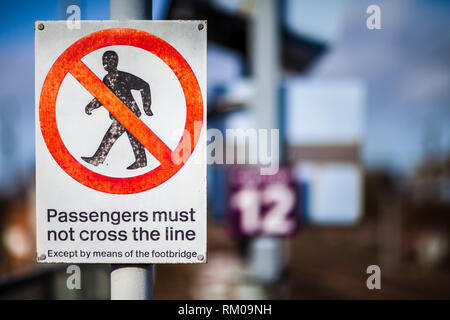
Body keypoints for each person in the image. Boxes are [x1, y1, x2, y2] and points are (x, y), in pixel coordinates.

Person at [81, 50, 153, 170]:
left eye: (109, 60)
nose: (106, 63)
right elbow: (102, 97)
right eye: (105, 61)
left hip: (126, 114)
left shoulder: (122, 76)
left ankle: (97, 159)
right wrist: (90, 106)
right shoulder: (108, 79)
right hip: (125, 113)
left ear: (115, 62)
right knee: (134, 137)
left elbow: (144, 86)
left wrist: (147, 107)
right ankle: (141, 161)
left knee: (110, 136)